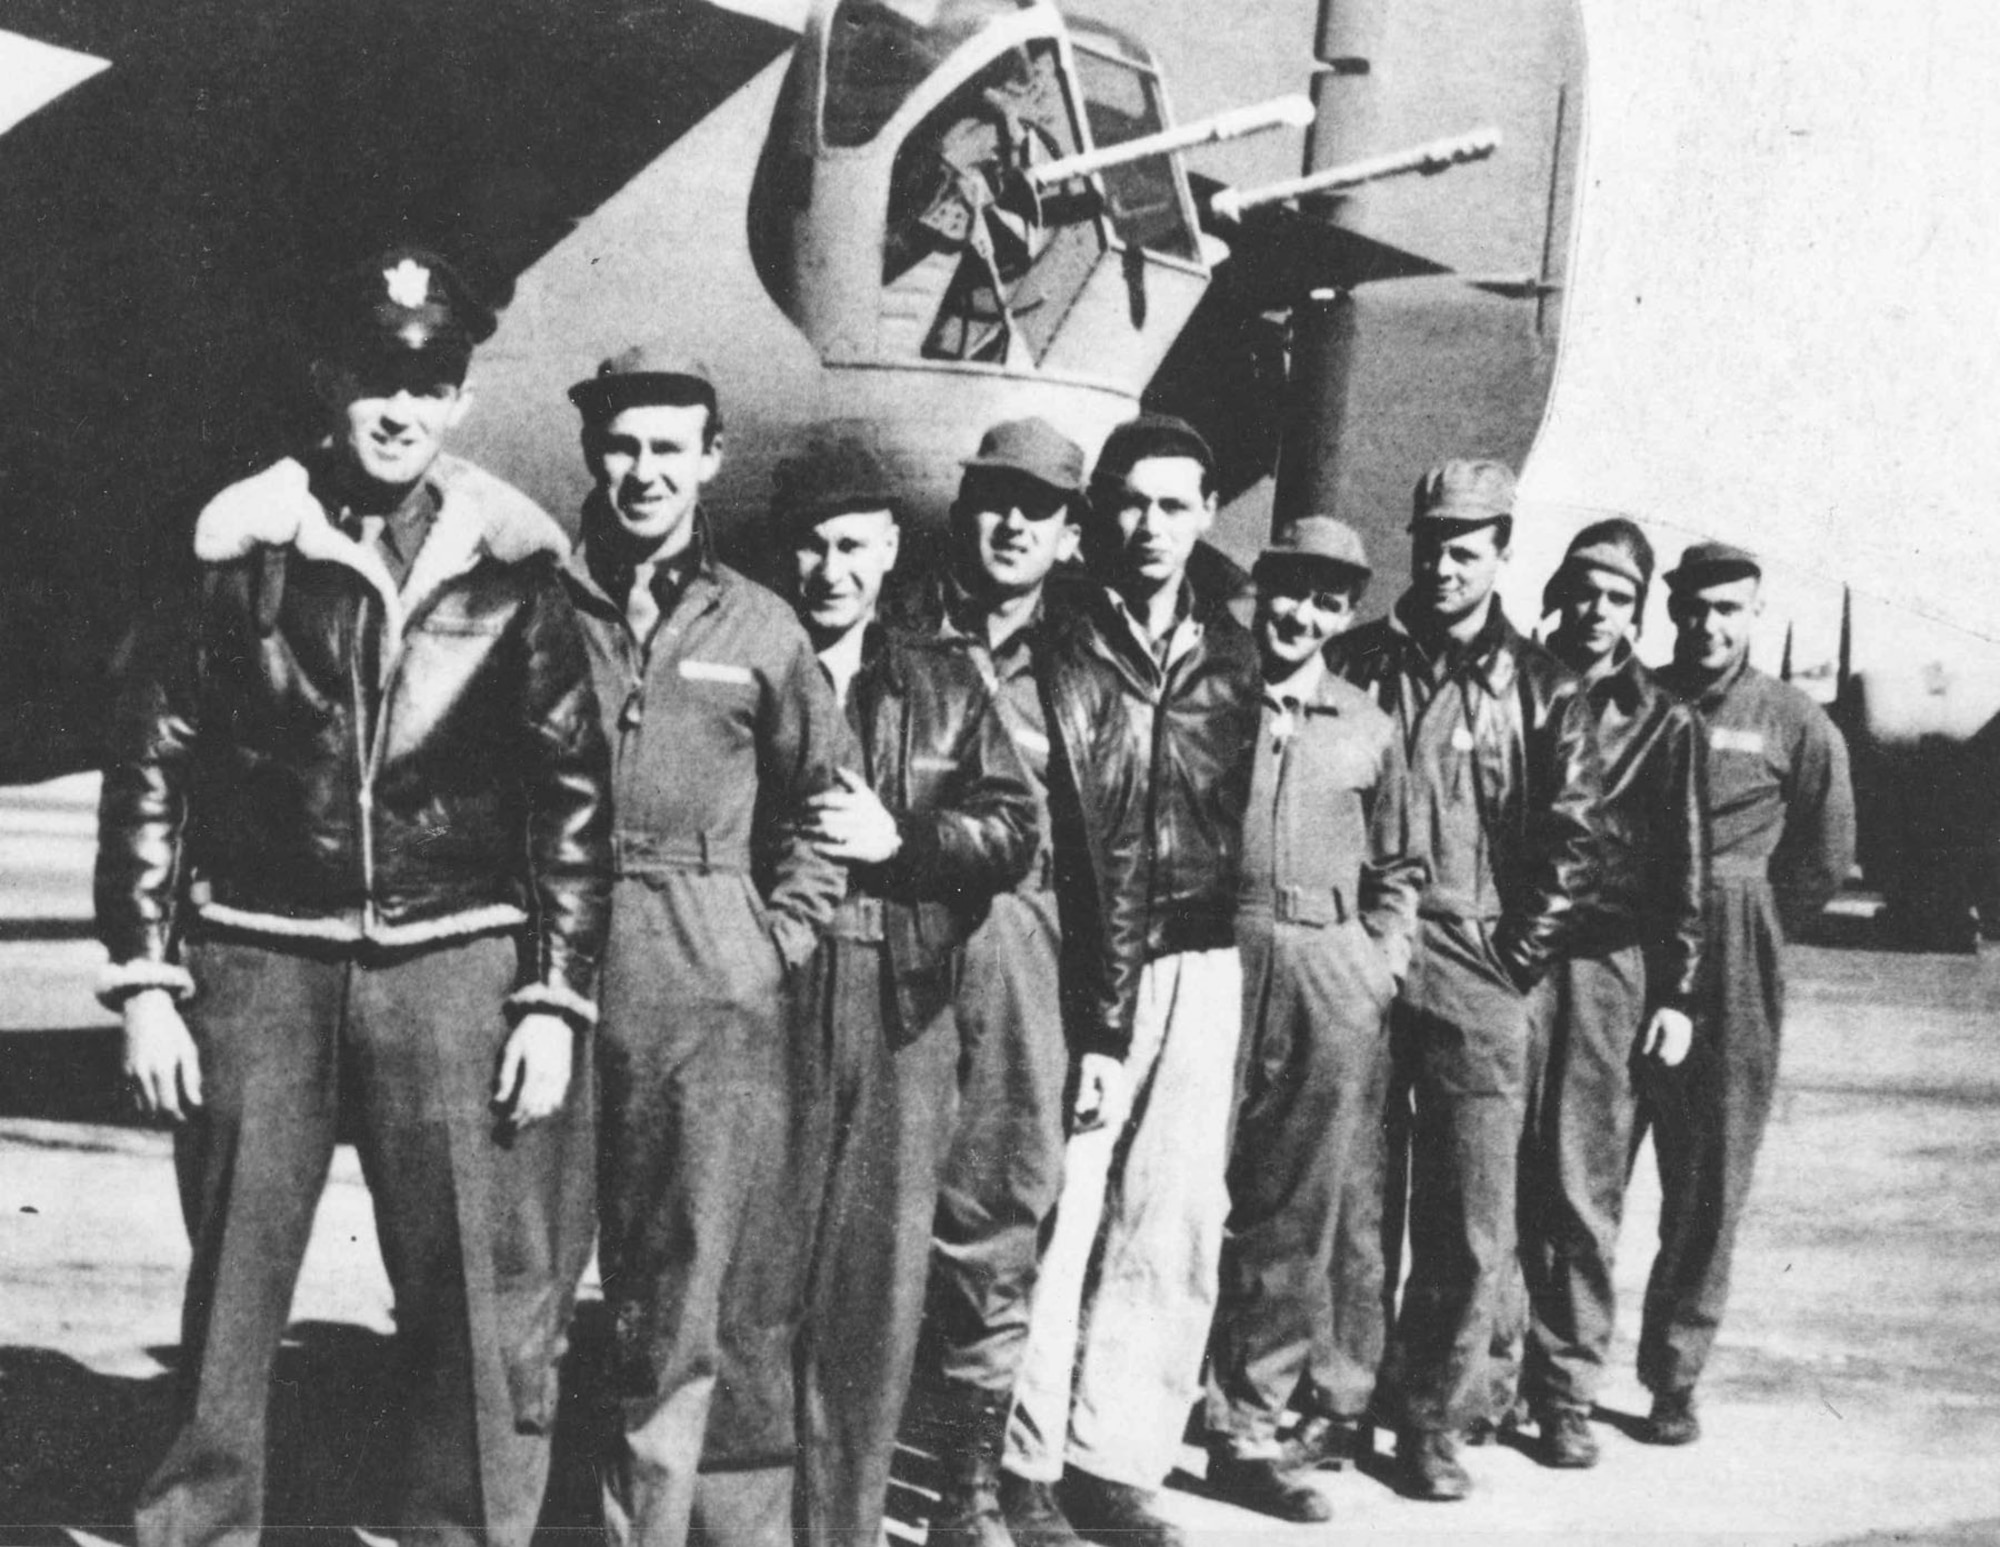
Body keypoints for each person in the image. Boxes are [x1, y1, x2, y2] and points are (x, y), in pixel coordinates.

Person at [95, 246, 612, 1547]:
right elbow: (151, 762)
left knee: (471, 1304)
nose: (400, 406)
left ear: (462, 398)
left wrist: (552, 996)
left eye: (429, 381)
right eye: (379, 376)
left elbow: (571, 798)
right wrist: (150, 982)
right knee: (230, 1301)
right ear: (332, 383)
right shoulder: (235, 552)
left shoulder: (514, 568)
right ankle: (198, 1529)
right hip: (259, 960)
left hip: (453, 966)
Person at [557, 347, 846, 1547]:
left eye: (667, 447)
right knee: (520, 1287)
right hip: (552, 974)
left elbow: (824, 807)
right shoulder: (532, 595)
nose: (642, 471)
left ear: (708, 460)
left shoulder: (761, 624)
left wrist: (767, 943)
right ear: (593, 452)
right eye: (623, 445)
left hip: (705, 979)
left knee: (678, 1298)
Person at [1001, 414, 1260, 1547]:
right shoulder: (1056, 633)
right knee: (1059, 1214)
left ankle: (1115, 1458)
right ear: (1098, 510)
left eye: (1172, 504)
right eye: (1129, 502)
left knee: (1172, 1213)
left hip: (1198, 957)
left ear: (1205, 510)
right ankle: (1022, 1461)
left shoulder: (1232, 651)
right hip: (1086, 952)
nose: (1149, 526)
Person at [780, 425, 1039, 1546]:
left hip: (899, 994)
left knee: (874, 1301)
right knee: (759, 1280)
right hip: (776, 986)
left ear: (888, 552)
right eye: (809, 547)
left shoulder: (940, 676)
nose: (828, 570)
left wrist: (905, 837)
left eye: (851, 546)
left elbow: (1011, 827)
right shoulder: (753, 651)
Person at [893, 418, 1148, 1547]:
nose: (1011, 523)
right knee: (870, 1209)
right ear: (964, 508)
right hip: (894, 942)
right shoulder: (894, 626)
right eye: (994, 498)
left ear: (1065, 530)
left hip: (1025, 956)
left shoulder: (1088, 671)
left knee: (997, 1221)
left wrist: (1102, 1028)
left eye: (1037, 508)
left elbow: (1121, 862)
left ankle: (962, 1487)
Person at [1330, 458, 1601, 1502]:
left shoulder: (1542, 685)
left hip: (1475, 956)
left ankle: (1429, 1418)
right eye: (1431, 541)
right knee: (1352, 1191)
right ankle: (1337, 1396)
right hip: (1364, 943)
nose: (1443, 562)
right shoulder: (1353, 662)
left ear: (1499, 551)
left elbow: (1574, 842)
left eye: (1466, 545)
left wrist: (1512, 956)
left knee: (1470, 1209)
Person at [1201, 517, 1424, 1521]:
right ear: (1263, 587)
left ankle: (1248, 1425)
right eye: (1288, 589)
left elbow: (1401, 870)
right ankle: (1132, 1410)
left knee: (1291, 1208)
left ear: (1346, 612)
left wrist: (1375, 965)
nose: (1300, 612)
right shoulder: (1209, 694)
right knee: (1175, 1185)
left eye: (1326, 599)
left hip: (1325, 960)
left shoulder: (1369, 723)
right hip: (1212, 949)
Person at [1486, 520, 1708, 1467]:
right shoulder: (1510, 686)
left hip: (1605, 966)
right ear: (1559, 588)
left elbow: (1685, 866)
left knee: (1582, 1184)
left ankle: (1566, 1389)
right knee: (1487, 1172)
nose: (1596, 610)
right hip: (1505, 952)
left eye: (1618, 597)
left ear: (1638, 609)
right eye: (1584, 589)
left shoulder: (1665, 718)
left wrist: (1680, 987)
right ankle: (1483, 1381)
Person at [1638, 540, 1854, 1445]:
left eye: (1729, 608)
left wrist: (1753, 923)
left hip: (1735, 951)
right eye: (1695, 607)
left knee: (1710, 1178)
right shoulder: (1635, 698)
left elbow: (1823, 855)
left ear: (1754, 614)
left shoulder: (1795, 721)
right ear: (1672, 608)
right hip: (1629, 935)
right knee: (1580, 1166)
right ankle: (1549, 1372)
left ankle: (1674, 1378)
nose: (1709, 625)